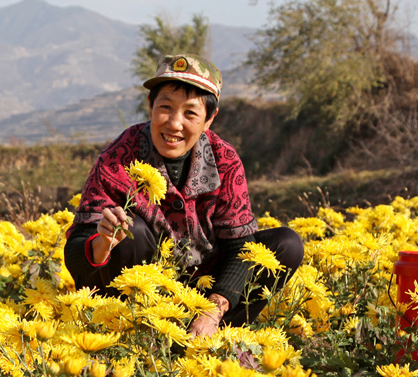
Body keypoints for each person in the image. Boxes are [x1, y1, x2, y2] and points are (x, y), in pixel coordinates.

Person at [63, 54, 303, 337]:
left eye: (190, 113)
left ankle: (218, 339)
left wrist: (213, 309)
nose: (174, 124)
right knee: (132, 233)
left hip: (205, 293)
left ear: (209, 119)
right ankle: (131, 339)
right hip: (138, 297)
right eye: (165, 107)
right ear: (151, 106)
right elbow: (76, 257)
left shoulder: (225, 160)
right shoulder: (118, 158)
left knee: (286, 245)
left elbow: (241, 247)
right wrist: (102, 243)